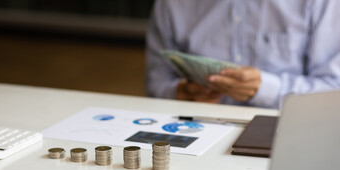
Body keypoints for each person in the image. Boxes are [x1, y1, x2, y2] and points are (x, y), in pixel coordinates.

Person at [145, 0, 340, 109]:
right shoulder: (170, 4)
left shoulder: (322, 3)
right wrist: (178, 92)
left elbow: (334, 90)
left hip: (287, 135)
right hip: (194, 132)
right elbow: (156, 82)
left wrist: (265, 88)